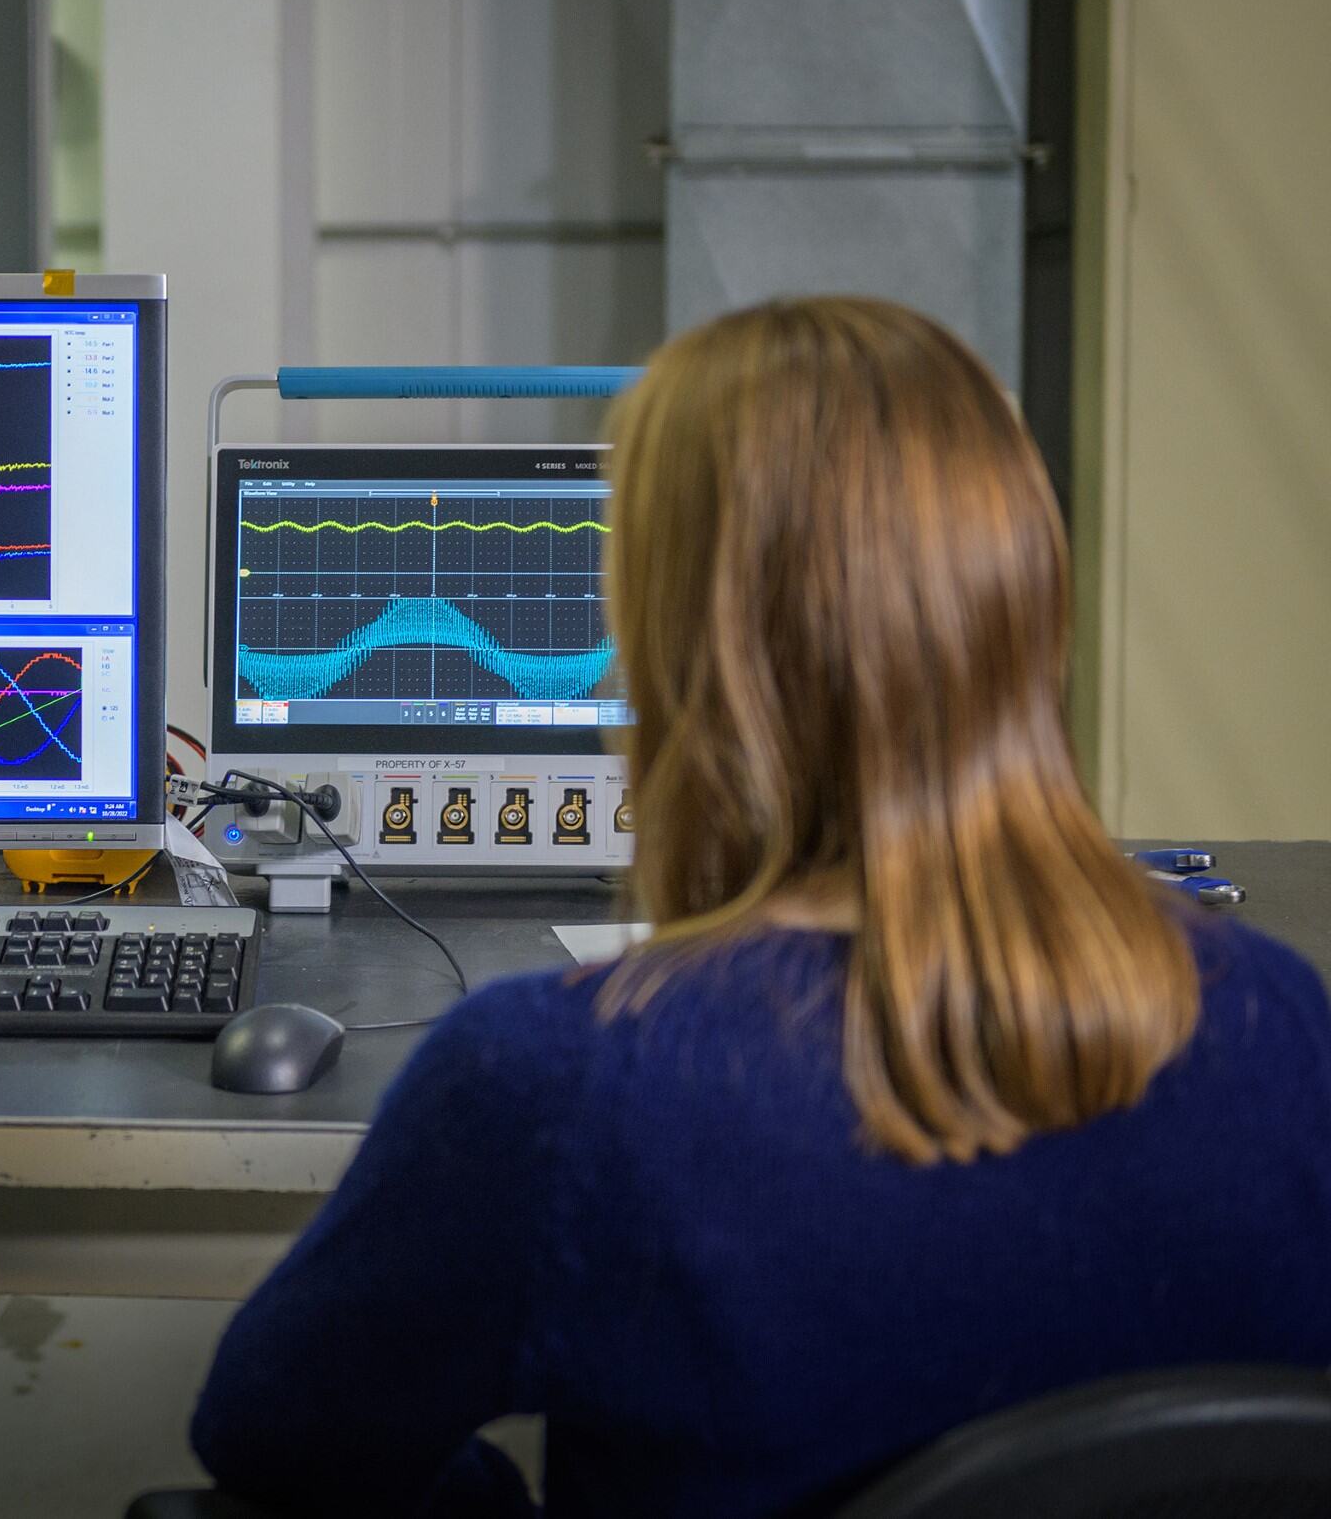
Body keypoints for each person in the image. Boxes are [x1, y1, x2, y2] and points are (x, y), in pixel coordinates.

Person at [189, 298, 1331, 1517]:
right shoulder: (1275, 1021)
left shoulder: (558, 1083)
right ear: (1019, 605)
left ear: (681, 643)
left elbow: (275, 1440)